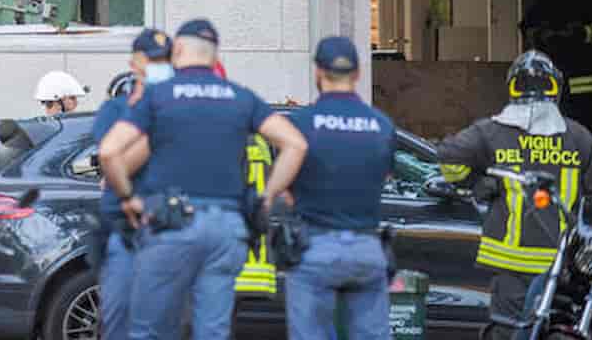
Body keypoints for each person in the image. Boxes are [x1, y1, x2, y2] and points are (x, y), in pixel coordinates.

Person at [98, 19, 309, 340]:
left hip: (170, 224)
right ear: (214, 55)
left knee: (148, 328)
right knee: (212, 329)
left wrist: (128, 198)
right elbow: (295, 144)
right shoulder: (240, 97)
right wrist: (268, 196)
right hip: (226, 227)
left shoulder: (159, 97)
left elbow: (110, 152)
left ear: (178, 50)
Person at [438, 50, 592, 339]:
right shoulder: (578, 137)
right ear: (556, 88)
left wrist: (475, 182)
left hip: (510, 263)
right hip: (561, 266)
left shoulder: (491, 132)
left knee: (510, 331)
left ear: (513, 88)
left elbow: (449, 159)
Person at [284, 37, 396, 340]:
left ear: (318, 72)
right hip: (367, 247)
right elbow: (384, 176)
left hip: (315, 246)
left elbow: (286, 188)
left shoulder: (301, 124)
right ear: (358, 74)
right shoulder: (382, 125)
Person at [93, 28, 171, 340]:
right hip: (125, 230)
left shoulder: (179, 107)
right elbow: (116, 162)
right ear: (134, 63)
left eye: (165, 60)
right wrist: (159, 131)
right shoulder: (115, 110)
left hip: (169, 230)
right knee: (118, 321)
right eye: (152, 60)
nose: (159, 66)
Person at [519, 0, 592, 146]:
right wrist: (545, 36)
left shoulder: (589, 2)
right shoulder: (541, 6)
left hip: (589, 88)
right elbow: (527, 30)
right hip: (558, 86)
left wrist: (580, 34)